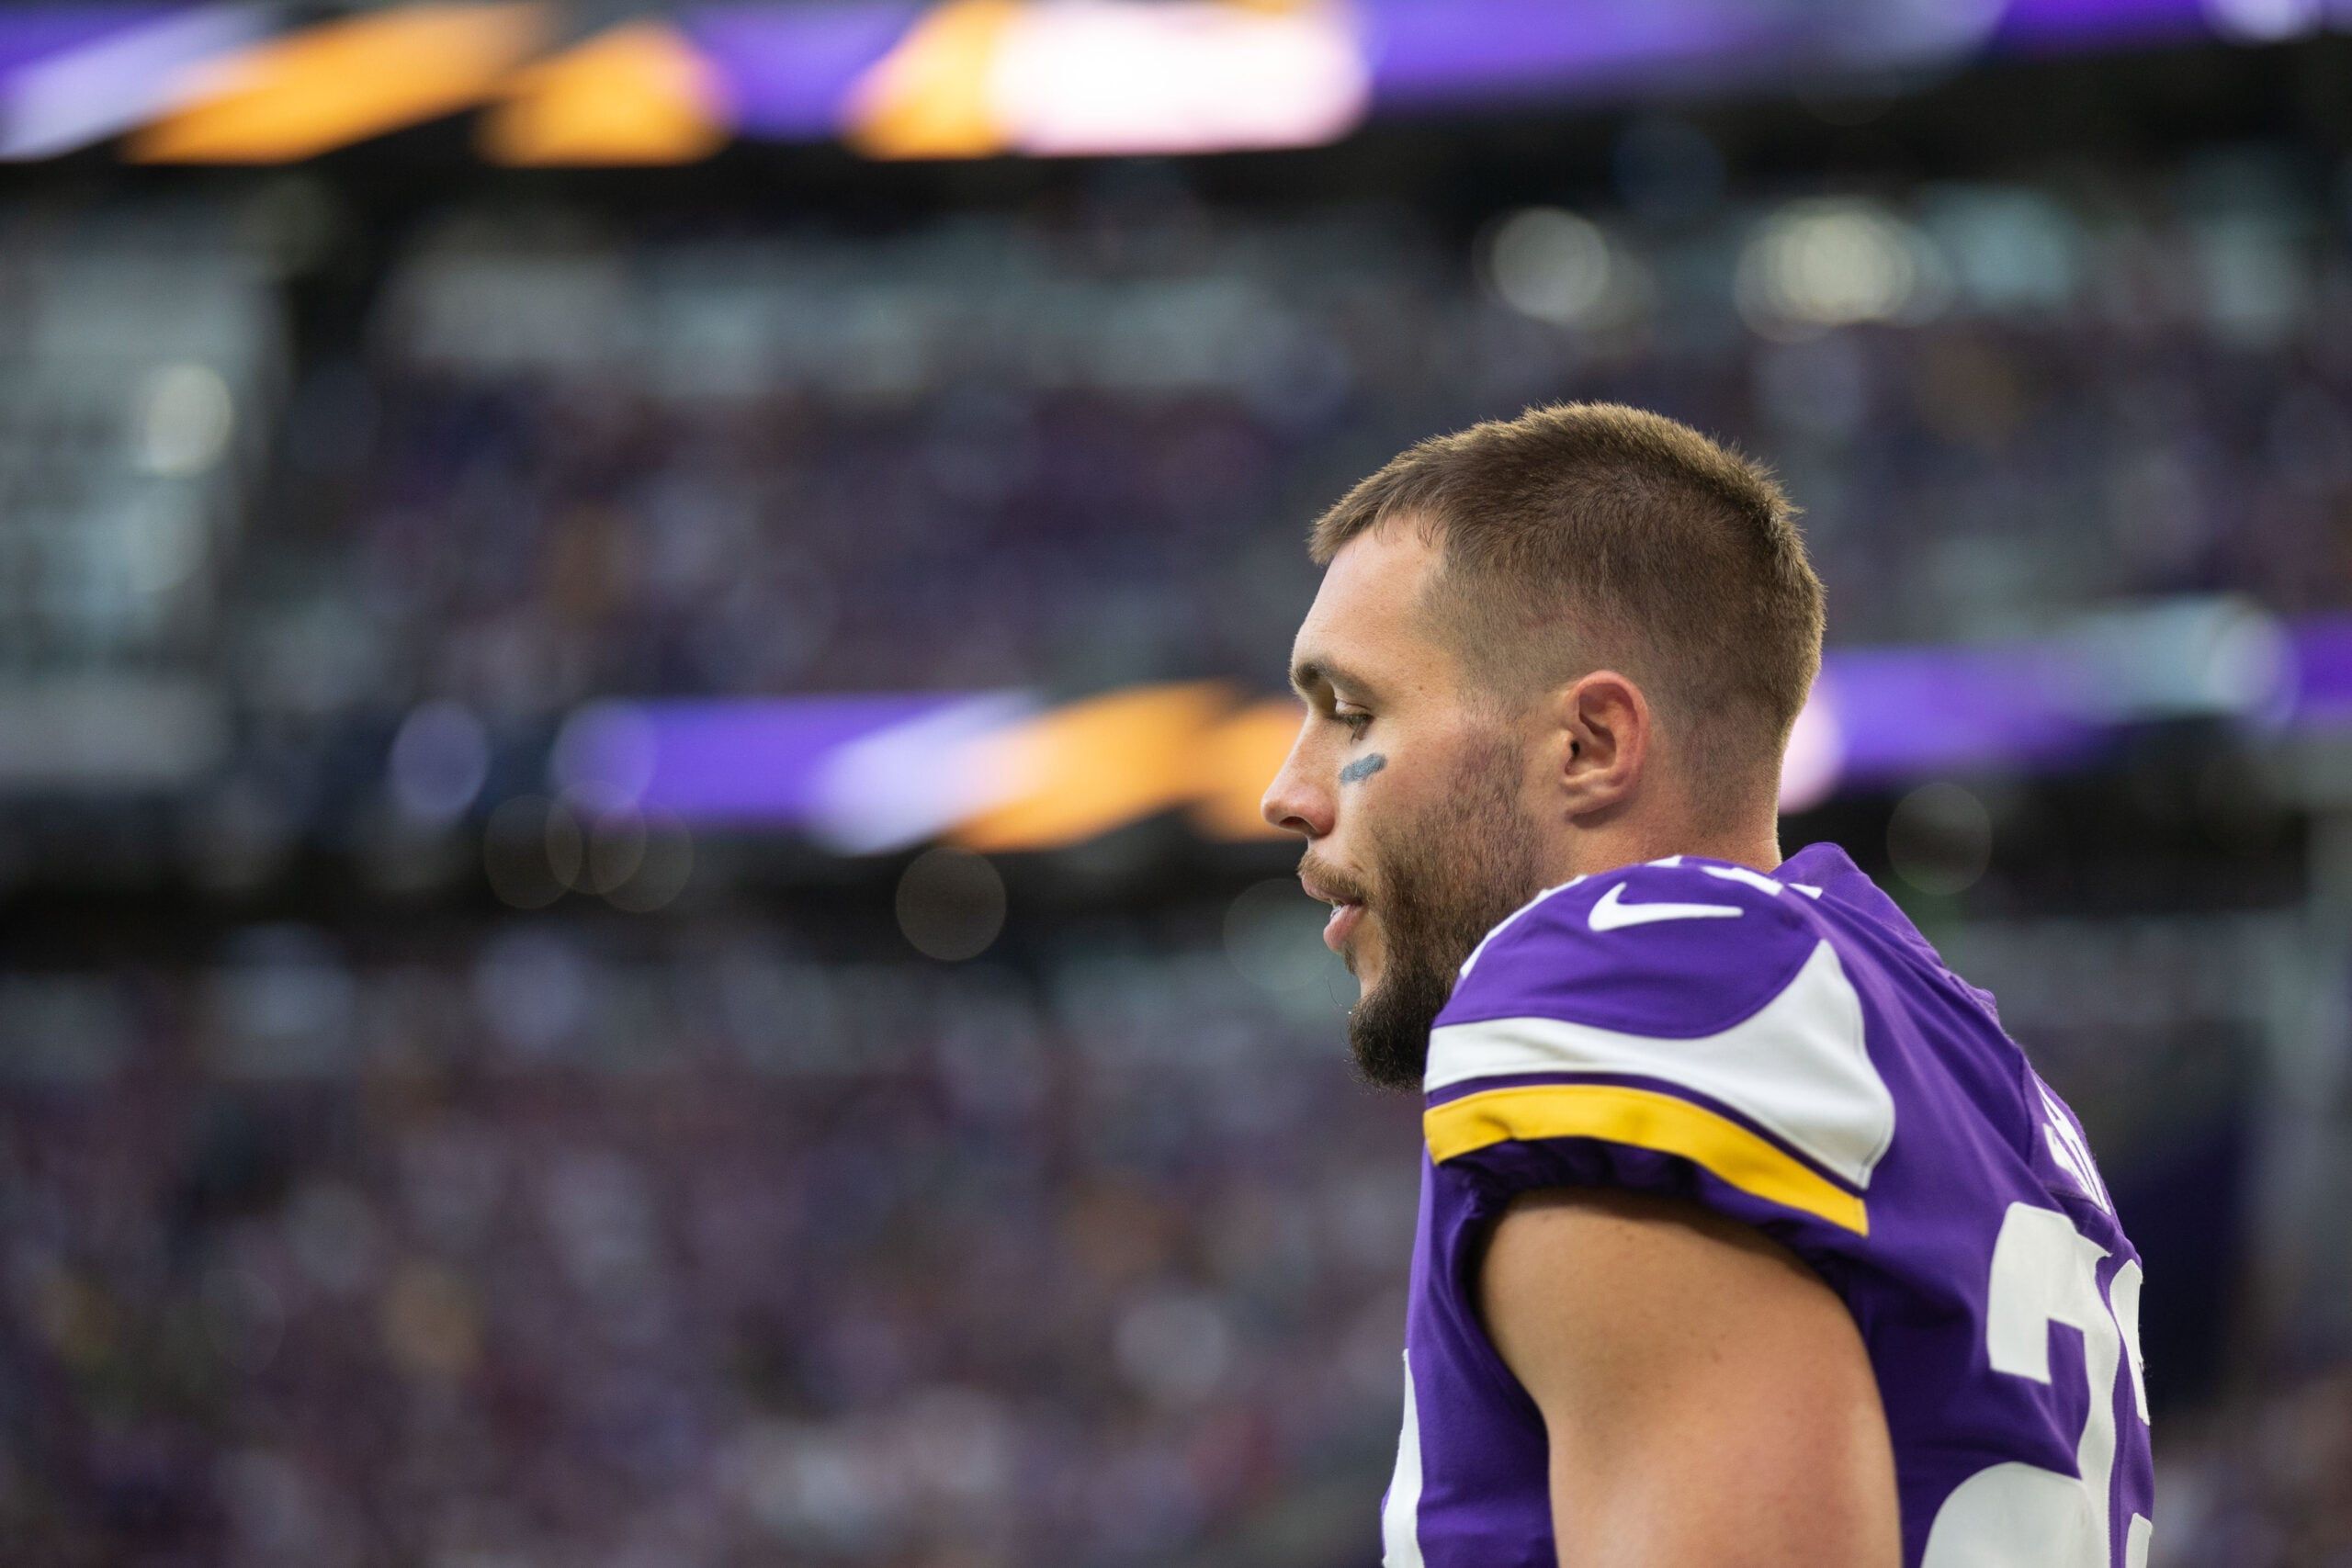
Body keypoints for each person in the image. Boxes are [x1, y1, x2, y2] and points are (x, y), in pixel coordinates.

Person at [1260, 403, 2153, 1568]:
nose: (1288, 791)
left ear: (1587, 745)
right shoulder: (1952, 1056)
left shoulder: (1621, 976)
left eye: (1352, 712)